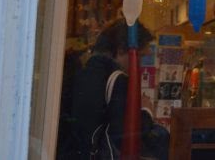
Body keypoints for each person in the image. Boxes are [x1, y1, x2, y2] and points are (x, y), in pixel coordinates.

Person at [71, 18, 169, 159]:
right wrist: (146, 111)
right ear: (122, 50)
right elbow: (126, 136)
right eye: (140, 57)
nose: (140, 65)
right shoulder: (117, 79)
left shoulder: (83, 71)